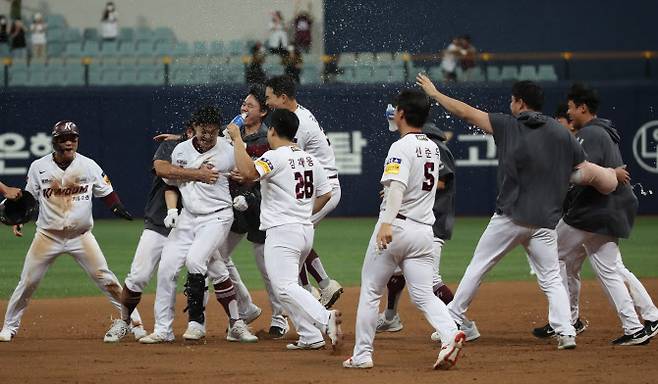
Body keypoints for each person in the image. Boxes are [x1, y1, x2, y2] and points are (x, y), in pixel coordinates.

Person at [416, 73, 619, 350]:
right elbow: (582, 171)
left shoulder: (507, 125)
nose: (511, 104)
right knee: (551, 279)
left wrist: (436, 95)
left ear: (520, 103)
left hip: (510, 217)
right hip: (545, 222)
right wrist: (608, 175)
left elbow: (466, 113)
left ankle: (452, 320)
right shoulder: (563, 133)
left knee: (478, 267)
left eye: (513, 100)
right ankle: (566, 332)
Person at [344, 90, 466, 370]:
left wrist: (386, 222)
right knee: (423, 294)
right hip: (424, 231)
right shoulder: (433, 147)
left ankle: (362, 355)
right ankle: (450, 333)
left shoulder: (400, 146)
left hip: (397, 226)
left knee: (371, 291)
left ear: (401, 113)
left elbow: (397, 186)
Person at [532, 83, 656, 346]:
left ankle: (566, 322)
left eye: (570, 108)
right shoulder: (600, 132)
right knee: (609, 270)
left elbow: (582, 173)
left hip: (593, 212)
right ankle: (634, 328)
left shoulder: (592, 133)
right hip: (604, 212)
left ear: (582, 108)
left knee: (551, 256)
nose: (569, 112)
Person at [0, 120, 145, 342]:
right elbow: (28, 199)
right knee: (28, 282)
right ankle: (9, 327)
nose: (68, 143)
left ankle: (134, 323)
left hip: (81, 236)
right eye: (63, 139)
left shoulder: (89, 165)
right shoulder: (38, 166)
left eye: (73, 138)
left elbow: (106, 192)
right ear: (54, 141)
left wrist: (117, 207)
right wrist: (20, 220)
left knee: (107, 280)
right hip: (48, 236)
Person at [226, 108, 343, 350]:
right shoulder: (309, 158)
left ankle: (325, 318)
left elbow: (248, 173)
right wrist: (303, 212)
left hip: (283, 232)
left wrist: (237, 139)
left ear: (273, 130)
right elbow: (326, 193)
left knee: (284, 287)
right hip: (304, 231)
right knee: (289, 287)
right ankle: (310, 336)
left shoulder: (275, 157)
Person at [139, 106, 258, 344]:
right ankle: (164, 329)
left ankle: (196, 322)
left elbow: (250, 175)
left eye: (213, 132)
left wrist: (243, 184)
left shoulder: (228, 149)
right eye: (203, 131)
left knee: (195, 260)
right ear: (194, 129)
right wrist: (173, 210)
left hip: (217, 216)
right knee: (167, 268)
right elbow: (171, 183)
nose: (207, 137)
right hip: (188, 216)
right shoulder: (181, 150)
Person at [102, 121, 221, 343]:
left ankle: (217, 323)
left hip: (197, 224)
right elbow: (162, 170)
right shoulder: (171, 148)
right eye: (196, 131)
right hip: (160, 221)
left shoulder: (216, 149)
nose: (203, 137)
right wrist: (197, 172)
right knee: (138, 277)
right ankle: (124, 321)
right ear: (189, 131)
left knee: (207, 272)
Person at [375, 119, 481, 342]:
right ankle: (391, 316)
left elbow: (441, 180)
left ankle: (464, 324)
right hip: (419, 220)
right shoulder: (425, 144)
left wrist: (401, 188)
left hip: (431, 221)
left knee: (430, 282)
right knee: (395, 271)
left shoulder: (432, 146)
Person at [264, 75, 344, 308]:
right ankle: (319, 287)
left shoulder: (297, 124)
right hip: (314, 186)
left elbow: (280, 153)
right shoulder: (296, 115)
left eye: (270, 98)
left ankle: (317, 289)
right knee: (297, 238)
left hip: (321, 189)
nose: (267, 102)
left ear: (283, 97)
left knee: (292, 235)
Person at [219, 85, 291, 338]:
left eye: (250, 106)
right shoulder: (228, 135)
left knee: (267, 267)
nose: (244, 108)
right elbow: (204, 143)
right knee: (216, 256)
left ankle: (280, 316)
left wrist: (248, 179)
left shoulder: (267, 139)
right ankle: (246, 306)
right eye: (243, 104)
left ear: (262, 113)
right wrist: (178, 138)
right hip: (236, 207)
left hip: (260, 208)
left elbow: (271, 174)